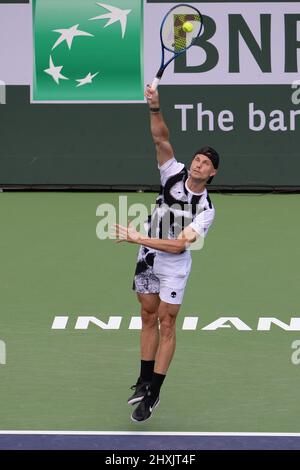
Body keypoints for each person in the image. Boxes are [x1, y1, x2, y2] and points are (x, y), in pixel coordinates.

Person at [114, 85, 219, 423]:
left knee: (167, 321)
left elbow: (178, 245)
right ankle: (143, 380)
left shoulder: (205, 209)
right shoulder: (172, 171)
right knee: (147, 315)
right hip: (147, 255)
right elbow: (161, 140)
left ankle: (155, 390)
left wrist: (137, 237)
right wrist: (155, 107)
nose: (199, 165)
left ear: (212, 174)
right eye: (198, 159)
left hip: (172, 263)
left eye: (205, 164)